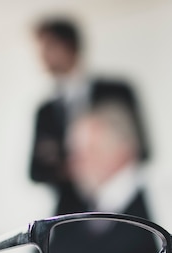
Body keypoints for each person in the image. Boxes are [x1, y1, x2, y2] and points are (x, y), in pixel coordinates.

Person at [30, 16, 151, 216]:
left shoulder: (118, 92)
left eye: (47, 46)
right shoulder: (45, 111)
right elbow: (35, 171)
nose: (41, 56)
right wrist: (75, 169)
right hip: (69, 214)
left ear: (68, 46)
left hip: (122, 210)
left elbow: (142, 150)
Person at [46, 102, 158, 253]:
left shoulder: (153, 204)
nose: (76, 162)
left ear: (123, 150)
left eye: (89, 151)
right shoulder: (81, 201)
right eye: (74, 153)